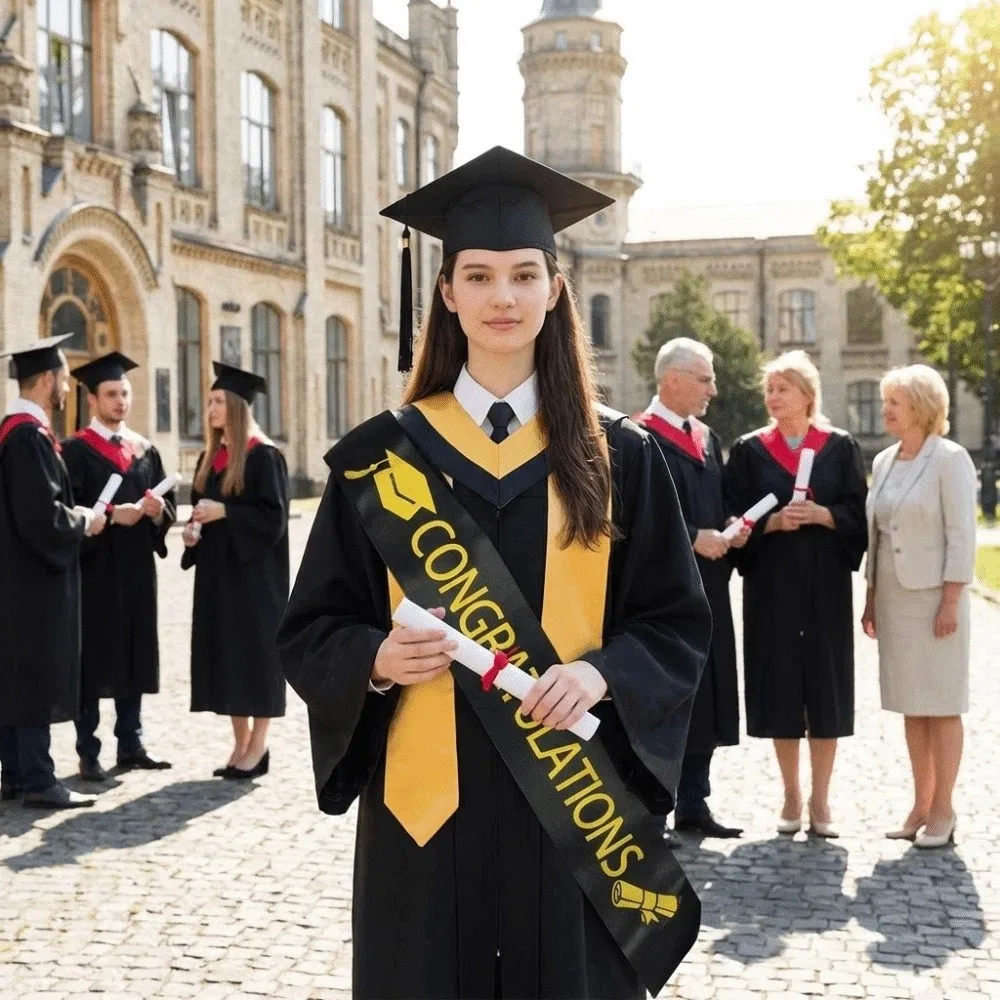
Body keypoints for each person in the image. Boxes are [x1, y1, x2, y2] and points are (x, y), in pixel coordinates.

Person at [278, 147, 712, 1000]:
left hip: (575, 811)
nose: (502, 298)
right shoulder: (384, 461)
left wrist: (599, 674)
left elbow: (674, 624)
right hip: (426, 817)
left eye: (523, 275)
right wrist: (374, 660)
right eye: (478, 276)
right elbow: (313, 628)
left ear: (556, 289)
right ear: (446, 292)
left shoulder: (619, 455)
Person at [725, 350, 867, 838]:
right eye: (769, 389)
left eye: (783, 388)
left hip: (825, 588)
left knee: (826, 687)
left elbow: (859, 513)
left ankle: (821, 799)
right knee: (781, 685)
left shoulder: (839, 447)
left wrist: (825, 516)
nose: (773, 397)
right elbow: (731, 516)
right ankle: (790, 794)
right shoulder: (750, 451)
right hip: (772, 588)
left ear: (807, 395)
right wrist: (771, 524)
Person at [635, 338, 746, 839]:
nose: (713, 390)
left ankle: (694, 803)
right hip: (661, 590)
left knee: (705, 689)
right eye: (705, 380)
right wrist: (693, 537)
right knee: (666, 692)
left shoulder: (706, 438)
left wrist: (731, 528)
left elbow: (716, 502)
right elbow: (633, 518)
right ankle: (652, 808)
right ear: (672, 380)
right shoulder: (638, 438)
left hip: (709, 587)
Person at [861, 365, 976, 849]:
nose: (885, 409)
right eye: (885, 400)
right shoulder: (885, 460)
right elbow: (877, 537)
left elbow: (961, 535)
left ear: (923, 407)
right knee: (912, 705)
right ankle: (920, 805)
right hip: (893, 599)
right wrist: (870, 598)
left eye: (894, 402)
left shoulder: (950, 459)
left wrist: (950, 601)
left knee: (942, 705)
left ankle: (944, 809)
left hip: (935, 600)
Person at [0, 335, 105, 809]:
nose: (66, 387)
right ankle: (39, 779)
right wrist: (83, 521)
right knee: (32, 673)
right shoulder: (28, 436)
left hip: (18, 577)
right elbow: (41, 516)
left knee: (16, 671)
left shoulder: (14, 431)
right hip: (33, 580)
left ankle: (17, 774)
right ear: (46, 380)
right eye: (62, 378)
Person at [61, 352, 176, 781]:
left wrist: (156, 512)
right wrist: (110, 516)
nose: (121, 401)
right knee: (92, 659)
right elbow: (68, 509)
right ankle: (87, 750)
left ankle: (131, 742)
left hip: (137, 571)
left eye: (125, 393)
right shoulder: (74, 452)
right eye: (111, 394)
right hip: (95, 574)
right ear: (92, 400)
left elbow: (168, 508)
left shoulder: (145, 451)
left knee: (134, 650)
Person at [182, 362, 289, 779]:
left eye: (218, 401)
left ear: (237, 407)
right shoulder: (210, 459)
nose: (210, 408)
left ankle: (259, 746)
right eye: (209, 401)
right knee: (228, 659)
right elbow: (201, 512)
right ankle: (240, 742)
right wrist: (193, 533)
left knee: (254, 660)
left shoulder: (265, 457)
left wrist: (225, 512)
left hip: (255, 581)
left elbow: (273, 520)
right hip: (218, 578)